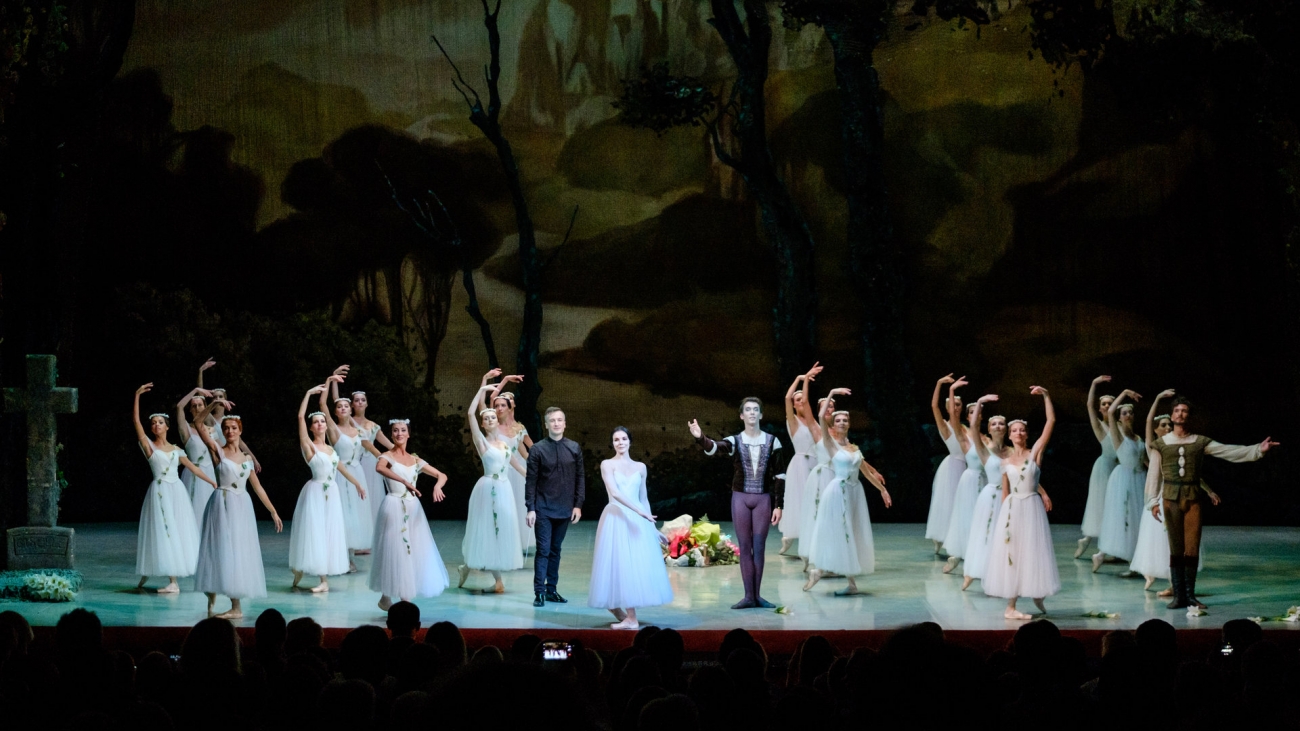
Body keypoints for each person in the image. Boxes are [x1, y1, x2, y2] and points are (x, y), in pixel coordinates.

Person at [1145, 390, 1278, 609]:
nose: (1180, 414)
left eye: (1184, 411)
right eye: (1176, 410)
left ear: (1189, 416)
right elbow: (1153, 474)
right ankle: (1179, 596)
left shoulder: (1199, 442)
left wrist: (1257, 450)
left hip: (1192, 498)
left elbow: (1228, 451)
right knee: (1175, 548)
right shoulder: (1161, 444)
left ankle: (1190, 595)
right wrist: (1152, 501)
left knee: (1192, 547)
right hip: (1170, 498)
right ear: (1171, 415)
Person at [688, 397, 787, 609]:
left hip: (762, 499)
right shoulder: (735, 440)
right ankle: (748, 596)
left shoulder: (773, 441)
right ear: (742, 415)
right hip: (740, 498)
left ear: (761, 414)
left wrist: (779, 505)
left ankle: (757, 596)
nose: (752, 413)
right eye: (747, 410)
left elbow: (780, 475)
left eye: (756, 409)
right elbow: (714, 447)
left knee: (759, 548)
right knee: (745, 546)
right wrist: (700, 437)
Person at [194, 409, 283, 618]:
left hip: (242, 506)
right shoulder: (217, 450)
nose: (229, 431)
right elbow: (198, 423)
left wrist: (273, 511)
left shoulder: (246, 458)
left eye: (233, 428)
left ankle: (236, 607)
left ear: (240, 430)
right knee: (220, 548)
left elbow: (257, 487)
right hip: (222, 503)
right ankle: (212, 588)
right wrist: (213, 404)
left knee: (237, 550)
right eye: (226, 428)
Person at [802, 390, 891, 595]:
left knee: (851, 534)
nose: (841, 423)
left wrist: (882, 490)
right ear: (833, 425)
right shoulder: (830, 444)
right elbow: (821, 418)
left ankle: (835, 578)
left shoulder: (854, 448)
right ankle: (827, 574)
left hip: (854, 493)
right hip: (838, 492)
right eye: (838, 420)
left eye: (845, 420)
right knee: (842, 532)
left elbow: (866, 473)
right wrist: (832, 393)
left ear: (849, 424)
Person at [982, 386, 1059, 620]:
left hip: (1032, 507)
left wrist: (1046, 396)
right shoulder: (1005, 462)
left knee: (1034, 551)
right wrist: (1002, 520)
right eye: (1014, 430)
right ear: (1010, 435)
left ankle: (1037, 592)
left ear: (1026, 434)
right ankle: (1011, 607)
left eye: (1022, 430)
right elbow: (1005, 493)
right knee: (1013, 552)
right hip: (1013, 509)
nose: (1018, 433)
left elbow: (1051, 422)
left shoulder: (1034, 453)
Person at [588, 427, 674, 629]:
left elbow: (644, 498)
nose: (620, 442)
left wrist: (653, 528)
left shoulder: (640, 467)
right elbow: (615, 493)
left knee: (632, 565)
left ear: (630, 441)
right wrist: (638, 511)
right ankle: (620, 611)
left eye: (624, 438)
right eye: (616, 439)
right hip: (616, 518)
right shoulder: (607, 464)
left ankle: (631, 618)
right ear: (613, 443)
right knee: (618, 564)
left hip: (637, 521)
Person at [132, 384, 215, 594]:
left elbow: (193, 468)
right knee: (162, 530)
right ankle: (159, 574)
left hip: (177, 492)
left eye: (160, 422)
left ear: (167, 427)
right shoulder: (149, 447)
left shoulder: (177, 449)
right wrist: (137, 396)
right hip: (160, 491)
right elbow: (136, 423)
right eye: (153, 423)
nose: (156, 425)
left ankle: (173, 581)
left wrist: (212, 482)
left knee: (175, 530)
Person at [288, 379, 366, 592]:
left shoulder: (331, 449)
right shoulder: (309, 446)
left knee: (329, 533)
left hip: (332, 493)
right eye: (316, 422)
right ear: (312, 427)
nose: (321, 424)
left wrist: (357, 484)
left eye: (323, 421)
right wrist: (308, 393)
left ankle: (308, 572)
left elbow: (341, 468)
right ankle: (321, 580)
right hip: (315, 492)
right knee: (316, 532)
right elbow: (300, 417)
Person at [1130, 413, 1215, 596]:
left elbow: (1192, 475)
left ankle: (1175, 585)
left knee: (1173, 543)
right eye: (1163, 425)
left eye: (1169, 424)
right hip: (1161, 499)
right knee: (1161, 542)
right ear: (1155, 429)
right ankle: (1165, 580)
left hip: (1176, 498)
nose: (1168, 427)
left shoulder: (1176, 447)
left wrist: (1209, 491)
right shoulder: (1155, 447)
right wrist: (1158, 400)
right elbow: (1147, 422)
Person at [372, 419, 449, 610]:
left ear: (408, 434)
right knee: (394, 549)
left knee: (411, 550)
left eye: (402, 430)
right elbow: (380, 468)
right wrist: (405, 482)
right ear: (391, 434)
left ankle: (395, 597)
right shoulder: (387, 456)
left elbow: (442, 475)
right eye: (395, 430)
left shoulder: (415, 460)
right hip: (394, 505)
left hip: (413, 508)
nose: (399, 433)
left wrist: (438, 486)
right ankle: (396, 597)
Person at [460, 379, 524, 594]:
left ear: (497, 420)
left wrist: (531, 477)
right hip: (488, 489)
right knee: (487, 528)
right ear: (483, 424)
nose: (489, 420)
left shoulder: (504, 444)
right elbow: (470, 414)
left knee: (500, 528)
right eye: (485, 418)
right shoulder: (482, 442)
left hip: (504, 489)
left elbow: (514, 463)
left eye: (492, 417)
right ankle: (496, 580)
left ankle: (469, 568)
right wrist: (481, 389)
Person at [525, 405, 585, 607]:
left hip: (565, 508)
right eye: (552, 420)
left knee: (555, 550)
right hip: (543, 508)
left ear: (565, 424)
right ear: (546, 424)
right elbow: (531, 481)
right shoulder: (537, 449)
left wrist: (578, 505)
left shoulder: (574, 448)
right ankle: (539, 592)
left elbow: (580, 478)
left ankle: (551, 590)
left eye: (559, 420)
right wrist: (530, 508)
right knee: (543, 549)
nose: (556, 423)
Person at [322, 366, 371, 569]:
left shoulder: (359, 431)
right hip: (340, 474)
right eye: (339, 407)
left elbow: (371, 448)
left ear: (351, 409)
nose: (343, 408)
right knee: (341, 511)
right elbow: (322, 404)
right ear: (335, 411)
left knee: (355, 513)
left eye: (345, 406)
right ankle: (339, 556)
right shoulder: (333, 429)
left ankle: (349, 555)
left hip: (357, 472)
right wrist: (329, 380)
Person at [1093, 391, 1147, 574]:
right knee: (1124, 517)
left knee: (1136, 519)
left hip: (1139, 479)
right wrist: (1124, 393)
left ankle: (1128, 560)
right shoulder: (1118, 435)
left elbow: (1144, 460)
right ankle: (1104, 554)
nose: (1128, 415)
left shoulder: (1138, 438)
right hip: (1124, 480)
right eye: (1124, 413)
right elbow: (1110, 412)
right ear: (1119, 417)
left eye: (1130, 412)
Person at [962, 394, 1007, 591]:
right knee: (985, 533)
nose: (997, 426)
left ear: (1005, 429)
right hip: (990, 496)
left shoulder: (1011, 452)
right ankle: (973, 571)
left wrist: (1042, 492)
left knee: (1002, 535)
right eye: (994, 424)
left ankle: (999, 573)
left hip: (1007, 497)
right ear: (989, 428)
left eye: (1001, 424)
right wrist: (980, 402)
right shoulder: (984, 449)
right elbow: (973, 427)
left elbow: (1023, 473)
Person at [489, 372, 537, 556]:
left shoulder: (519, 428)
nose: (501, 407)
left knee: (518, 504)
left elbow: (530, 449)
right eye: (499, 404)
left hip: (518, 471)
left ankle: (516, 541)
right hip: (501, 469)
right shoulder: (494, 425)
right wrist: (506, 379)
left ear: (512, 406)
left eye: (506, 403)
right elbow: (492, 398)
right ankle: (500, 541)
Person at [779, 363, 823, 555]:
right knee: (798, 501)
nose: (800, 402)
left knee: (816, 500)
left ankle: (813, 537)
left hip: (816, 463)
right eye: (797, 400)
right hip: (800, 464)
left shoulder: (813, 422)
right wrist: (800, 378)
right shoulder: (793, 421)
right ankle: (789, 536)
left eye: (802, 399)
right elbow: (787, 398)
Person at [942, 378, 984, 574]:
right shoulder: (963, 434)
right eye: (972, 412)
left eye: (979, 412)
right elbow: (952, 414)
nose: (975, 415)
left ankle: (977, 555)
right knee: (968, 517)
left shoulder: (986, 439)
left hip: (985, 482)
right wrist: (951, 389)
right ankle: (959, 555)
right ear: (967, 416)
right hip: (970, 481)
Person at [925, 374, 968, 556]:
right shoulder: (945, 426)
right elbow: (933, 406)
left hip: (965, 468)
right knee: (947, 504)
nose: (955, 407)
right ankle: (940, 538)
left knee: (962, 505)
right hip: (952, 468)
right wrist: (939, 383)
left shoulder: (965, 428)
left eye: (958, 404)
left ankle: (959, 540)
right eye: (952, 404)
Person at [1078, 376, 1118, 558]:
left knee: (1113, 506)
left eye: (1110, 403)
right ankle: (1090, 538)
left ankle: (1107, 545)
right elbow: (1089, 405)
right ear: (1100, 408)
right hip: (1104, 468)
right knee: (1101, 504)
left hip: (1118, 469)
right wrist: (1094, 383)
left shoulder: (1120, 426)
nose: (1107, 406)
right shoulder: (1100, 426)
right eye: (1104, 404)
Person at [348, 387, 393, 527]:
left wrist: (406, 455)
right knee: (356, 494)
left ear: (367, 404)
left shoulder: (373, 425)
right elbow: (336, 400)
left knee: (372, 495)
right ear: (352, 404)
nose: (360, 402)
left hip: (371, 465)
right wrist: (334, 382)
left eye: (363, 400)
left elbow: (390, 445)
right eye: (357, 400)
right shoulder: (348, 421)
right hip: (355, 462)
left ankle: (373, 530)